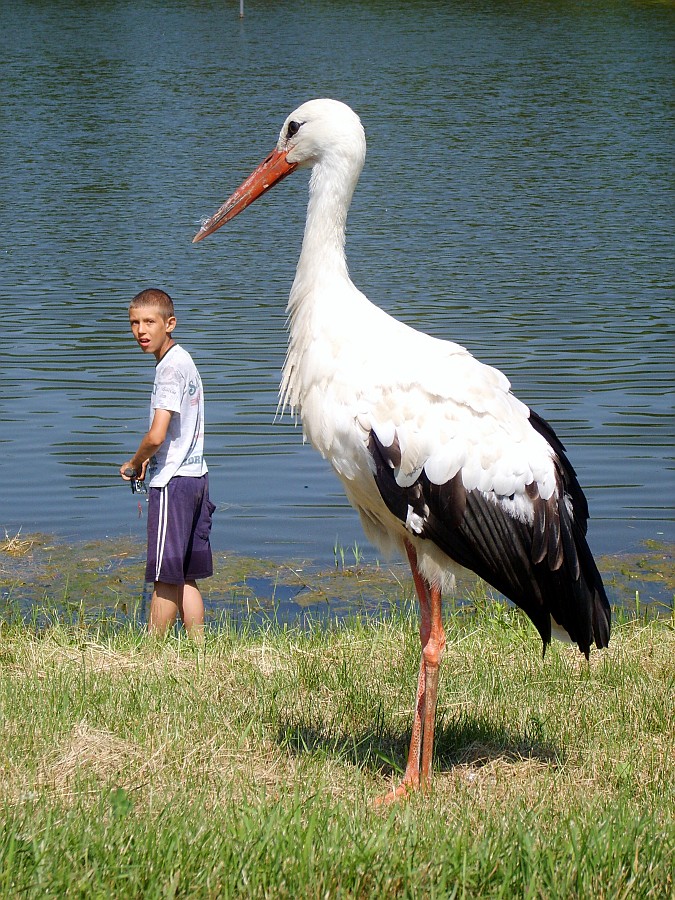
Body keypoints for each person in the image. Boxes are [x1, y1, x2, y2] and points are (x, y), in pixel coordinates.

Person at [120, 288, 214, 640]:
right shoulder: (184, 359)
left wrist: (136, 462)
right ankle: (199, 649)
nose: (141, 331)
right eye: (134, 323)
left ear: (169, 323)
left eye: (149, 322)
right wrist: (149, 460)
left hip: (173, 484)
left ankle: (151, 654)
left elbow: (157, 434)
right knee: (186, 574)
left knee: (164, 575)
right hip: (196, 478)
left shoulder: (169, 370)